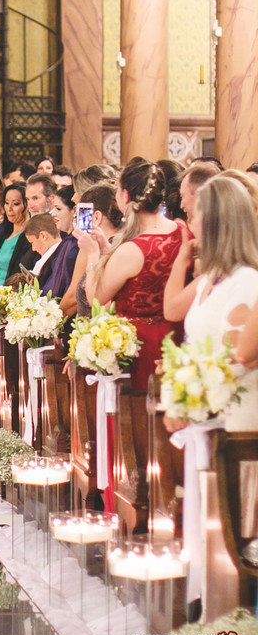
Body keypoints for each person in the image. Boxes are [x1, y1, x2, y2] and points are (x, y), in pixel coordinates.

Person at [164, 176, 258, 431]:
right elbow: (174, 312)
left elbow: (239, 358)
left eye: (196, 216)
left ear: (213, 224)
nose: (190, 222)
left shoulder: (246, 280)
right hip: (206, 416)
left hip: (234, 421)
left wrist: (189, 393)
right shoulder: (211, 278)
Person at [85, 158, 185, 391]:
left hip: (139, 347)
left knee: (139, 419)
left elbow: (96, 300)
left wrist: (92, 254)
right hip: (177, 339)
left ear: (126, 195)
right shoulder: (183, 233)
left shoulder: (133, 250)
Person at [61, 182, 123, 318]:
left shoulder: (118, 248)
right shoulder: (101, 244)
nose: (77, 221)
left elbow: (98, 302)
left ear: (96, 217)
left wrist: (92, 254)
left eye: (81, 215)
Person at [24, 213, 75, 299]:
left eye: (32, 242)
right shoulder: (62, 251)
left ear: (43, 236)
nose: (33, 249)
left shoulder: (54, 258)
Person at [0, 183, 33, 285]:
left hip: (14, 296)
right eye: (6, 202)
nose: (9, 209)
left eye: (16, 204)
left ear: (27, 205)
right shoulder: (4, 235)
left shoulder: (30, 238)